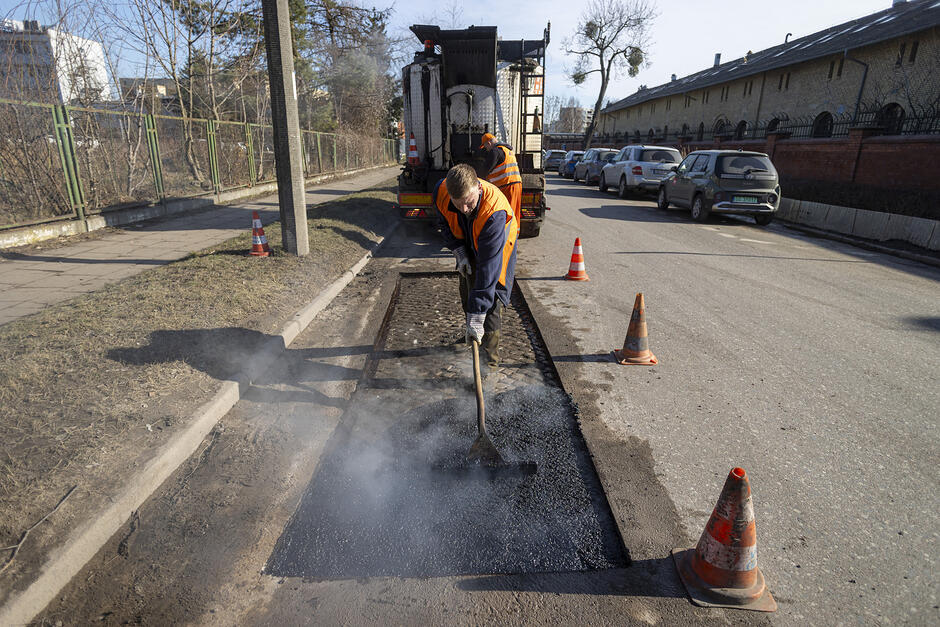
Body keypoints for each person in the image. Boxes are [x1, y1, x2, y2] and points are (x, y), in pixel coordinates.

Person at [433, 163, 518, 371]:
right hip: (469, 240)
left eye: (469, 203)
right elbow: (444, 222)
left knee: (489, 304)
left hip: (497, 246)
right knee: (467, 288)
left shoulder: (494, 212)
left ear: (478, 189)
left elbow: (488, 269)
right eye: (458, 203)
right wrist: (458, 250)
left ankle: (488, 366)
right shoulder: (441, 192)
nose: (463, 209)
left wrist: (478, 314)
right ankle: (472, 334)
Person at [478, 132, 522, 225]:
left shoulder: (495, 151)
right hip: (515, 185)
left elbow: (485, 171)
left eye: (485, 147)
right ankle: (514, 234)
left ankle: (507, 237)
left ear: (488, 143)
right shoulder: (507, 150)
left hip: (507, 186)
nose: (486, 149)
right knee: (514, 213)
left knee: (506, 214)